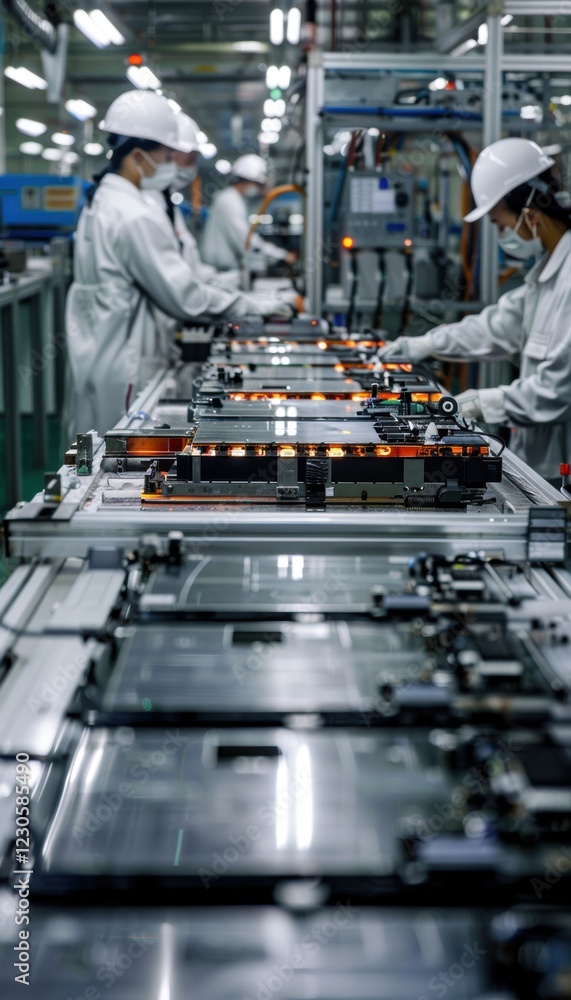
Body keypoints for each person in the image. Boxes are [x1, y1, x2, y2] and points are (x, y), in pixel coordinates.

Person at [64, 92, 289, 441]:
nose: (172, 164)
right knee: (118, 450)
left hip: (98, 350)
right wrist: (257, 306)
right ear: (138, 155)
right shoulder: (133, 215)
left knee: (94, 447)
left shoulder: (106, 200)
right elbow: (185, 296)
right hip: (125, 360)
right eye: (167, 155)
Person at [377, 137, 571, 483]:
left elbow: (557, 392)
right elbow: (494, 327)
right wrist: (424, 344)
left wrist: (482, 402)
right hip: (542, 469)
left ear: (529, 215)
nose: (501, 234)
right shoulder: (545, 275)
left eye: (499, 224)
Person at [200, 153, 297, 272]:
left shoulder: (234, 199)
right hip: (222, 273)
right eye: (259, 185)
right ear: (247, 180)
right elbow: (246, 241)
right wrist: (282, 255)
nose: (260, 190)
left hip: (225, 271)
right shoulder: (230, 201)